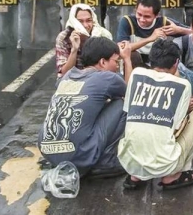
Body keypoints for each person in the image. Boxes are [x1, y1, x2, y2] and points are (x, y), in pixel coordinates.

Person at [117, 39, 193, 190]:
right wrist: (187, 108)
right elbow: (178, 127)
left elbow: (130, 108)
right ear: (176, 63)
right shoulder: (183, 85)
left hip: (128, 161)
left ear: (150, 60)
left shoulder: (136, 74)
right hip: (164, 163)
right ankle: (174, 175)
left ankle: (136, 176)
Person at [38, 37, 133, 178]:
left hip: (47, 151)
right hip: (77, 156)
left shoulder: (68, 76)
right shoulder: (107, 78)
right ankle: (106, 161)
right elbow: (131, 94)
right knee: (122, 104)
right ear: (102, 61)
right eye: (115, 61)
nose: (117, 66)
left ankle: (78, 155)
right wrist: (127, 59)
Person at [116, 0, 191, 65]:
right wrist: (150, 38)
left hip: (157, 65)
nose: (142, 19)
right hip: (134, 64)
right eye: (139, 14)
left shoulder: (163, 22)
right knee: (133, 55)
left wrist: (179, 30)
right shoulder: (127, 21)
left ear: (157, 15)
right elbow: (122, 49)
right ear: (135, 9)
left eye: (147, 17)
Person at [56, 4, 113, 79]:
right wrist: (74, 50)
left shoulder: (102, 34)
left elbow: (110, 67)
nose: (85, 25)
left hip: (96, 78)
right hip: (72, 79)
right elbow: (64, 73)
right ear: (74, 22)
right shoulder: (64, 37)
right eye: (80, 21)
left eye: (89, 20)